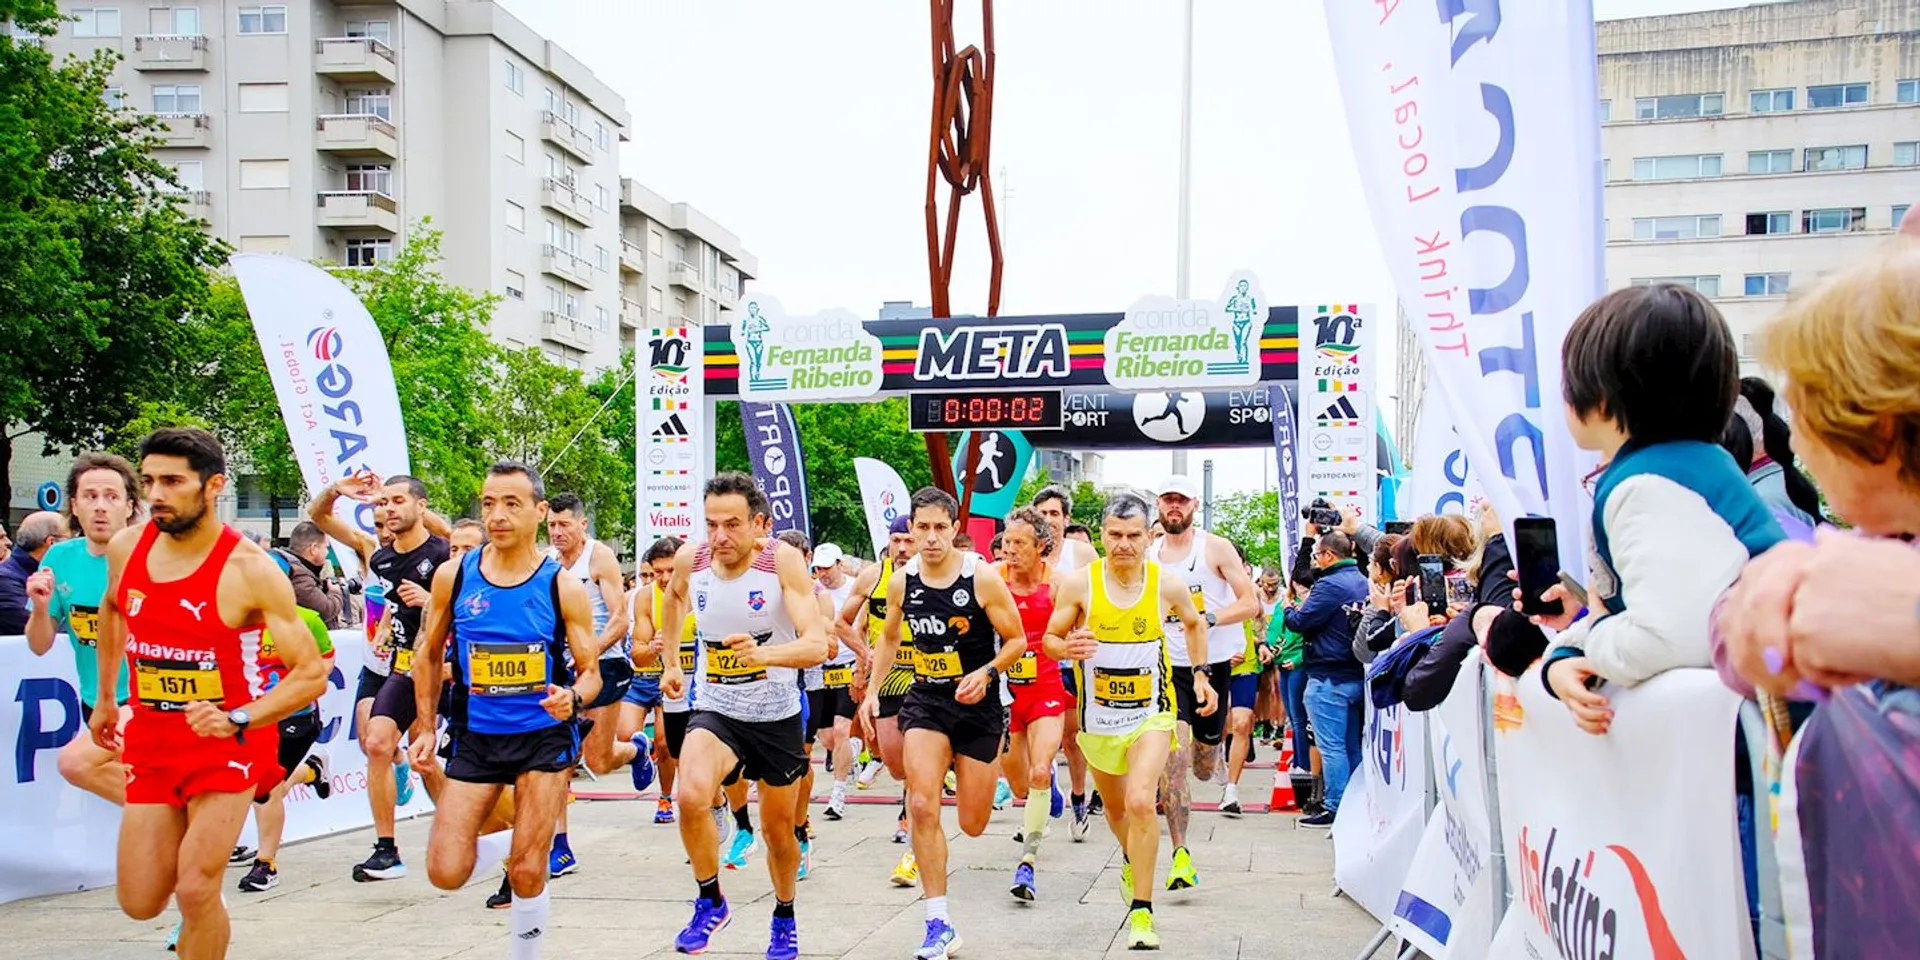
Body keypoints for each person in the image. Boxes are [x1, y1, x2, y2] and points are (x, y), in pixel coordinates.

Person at [90, 428, 328, 960]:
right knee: (140, 900)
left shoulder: (250, 569)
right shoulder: (127, 547)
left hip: (230, 744)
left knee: (195, 888)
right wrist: (107, 697)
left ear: (214, 485)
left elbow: (310, 673)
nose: (155, 494)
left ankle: (202, 919)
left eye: (172, 481)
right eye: (149, 480)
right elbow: (112, 608)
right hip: (152, 738)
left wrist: (240, 717)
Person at [1529, 283, 1784, 735]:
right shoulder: (1692, 467)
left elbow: (1668, 636)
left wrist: (1597, 640)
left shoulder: (1646, 485)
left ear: (1601, 399)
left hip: (1746, 757)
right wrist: (1566, 657)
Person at [407, 461, 604, 960]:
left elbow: (591, 672)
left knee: (527, 873)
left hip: (543, 737)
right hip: (477, 735)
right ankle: (523, 841)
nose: (497, 514)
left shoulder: (562, 585)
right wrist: (427, 726)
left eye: (511, 504)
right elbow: (427, 654)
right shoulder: (455, 576)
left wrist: (574, 698)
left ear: (539, 512)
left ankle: (526, 944)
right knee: (445, 871)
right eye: (489, 503)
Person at [653, 473, 831, 960]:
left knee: (778, 835)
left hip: (775, 714)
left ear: (760, 524)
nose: (719, 537)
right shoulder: (695, 558)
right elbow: (672, 600)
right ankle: (710, 900)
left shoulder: (782, 562)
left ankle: (784, 914)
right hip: (717, 707)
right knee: (690, 795)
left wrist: (766, 656)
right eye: (711, 524)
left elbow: (816, 644)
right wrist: (672, 661)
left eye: (732, 525)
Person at [861, 487, 1028, 960]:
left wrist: (987, 672)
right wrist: (873, 691)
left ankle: (965, 765)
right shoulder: (902, 581)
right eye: (922, 528)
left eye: (940, 527)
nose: (930, 538)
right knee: (921, 803)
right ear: (910, 530)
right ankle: (938, 921)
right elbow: (890, 639)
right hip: (927, 701)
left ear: (955, 529)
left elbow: (1016, 640)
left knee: (973, 824)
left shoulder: (983, 578)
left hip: (978, 705)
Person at [1044, 492, 1214, 950]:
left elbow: (1195, 625)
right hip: (1098, 720)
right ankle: (1130, 856)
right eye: (1115, 535)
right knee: (1117, 811)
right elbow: (1050, 640)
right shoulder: (1081, 584)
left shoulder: (1166, 584)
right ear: (1101, 535)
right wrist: (1068, 648)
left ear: (1149, 536)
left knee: (1141, 801)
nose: (1124, 544)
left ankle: (1142, 912)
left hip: (1151, 716)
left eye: (1133, 536)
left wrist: (1201, 676)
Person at [309, 472, 452, 882]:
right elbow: (317, 516)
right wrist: (338, 490)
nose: (387, 509)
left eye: (397, 501)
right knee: (376, 742)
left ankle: (465, 830)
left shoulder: (445, 554)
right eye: (382, 502)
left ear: (421, 506)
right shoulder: (380, 556)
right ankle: (386, 849)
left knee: (442, 763)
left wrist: (430, 601)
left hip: (452, 667)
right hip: (406, 666)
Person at [1143, 474, 1259, 885]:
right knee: (1171, 764)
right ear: (1159, 506)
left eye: (1181, 501)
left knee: (1204, 765)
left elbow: (1251, 603)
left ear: (1194, 505)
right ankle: (1179, 853)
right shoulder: (1147, 552)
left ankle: (1211, 751)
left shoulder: (1215, 548)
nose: (1174, 507)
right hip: (1165, 668)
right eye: (1167, 500)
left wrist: (1205, 618)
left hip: (1212, 666)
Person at [25, 453, 140, 805]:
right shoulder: (59, 559)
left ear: (129, 506)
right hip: (94, 701)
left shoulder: (149, 557)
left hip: (146, 700)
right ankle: (182, 826)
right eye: (90, 497)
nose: (100, 507)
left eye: (111, 496)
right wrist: (41, 609)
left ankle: (181, 827)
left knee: (74, 763)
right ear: (74, 506)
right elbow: (39, 645)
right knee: (134, 785)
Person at [544, 493, 636, 878]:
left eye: (565, 524)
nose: (558, 532)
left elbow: (620, 620)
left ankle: (635, 749)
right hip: (562, 670)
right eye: (551, 525)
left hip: (604, 664)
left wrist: (588, 652)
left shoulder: (599, 558)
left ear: (583, 525)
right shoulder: (546, 561)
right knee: (557, 760)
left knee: (598, 760)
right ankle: (560, 847)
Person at [835, 515, 919, 882]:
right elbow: (842, 623)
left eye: (908, 540)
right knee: (896, 762)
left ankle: (912, 835)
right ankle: (907, 790)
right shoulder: (873, 577)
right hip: (887, 679)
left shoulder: (933, 574)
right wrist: (865, 656)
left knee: (918, 762)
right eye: (897, 540)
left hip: (925, 677)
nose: (902, 548)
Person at [236, 604, 337, 893]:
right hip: (248, 719)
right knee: (260, 786)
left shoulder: (306, 619)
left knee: (267, 789)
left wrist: (291, 691)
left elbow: (326, 664)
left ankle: (266, 864)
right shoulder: (230, 618)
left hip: (295, 719)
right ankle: (311, 770)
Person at [995, 507, 1069, 899]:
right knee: (1022, 785)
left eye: (1019, 543)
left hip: (1045, 689)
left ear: (1041, 546)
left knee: (1039, 771)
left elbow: (1079, 626)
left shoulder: (1057, 585)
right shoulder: (991, 580)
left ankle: (1027, 863)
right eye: (1007, 542)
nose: (1010, 550)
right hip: (1005, 696)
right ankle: (1048, 789)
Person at [1285, 532, 1369, 826]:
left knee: (1331, 747)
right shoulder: (1361, 578)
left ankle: (1336, 806)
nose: (1316, 561)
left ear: (1329, 555)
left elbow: (1299, 622)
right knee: (1352, 746)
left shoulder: (1330, 584)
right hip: (1354, 672)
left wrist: (1288, 608)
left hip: (1328, 676)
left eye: (1317, 555)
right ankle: (1356, 804)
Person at [1031, 486, 1099, 832]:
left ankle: (1078, 799)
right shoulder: (1024, 553)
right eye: (1041, 514)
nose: (1048, 520)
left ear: (1066, 519)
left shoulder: (1082, 554)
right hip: (1033, 658)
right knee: (1035, 739)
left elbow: (1099, 598)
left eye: (1054, 514)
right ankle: (1044, 788)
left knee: (1072, 738)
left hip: (1070, 659)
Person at [624, 536, 686, 826]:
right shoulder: (645, 597)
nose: (664, 578)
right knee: (624, 735)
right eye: (658, 571)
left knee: (664, 742)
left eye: (671, 570)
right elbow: (638, 654)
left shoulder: (701, 589)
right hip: (644, 677)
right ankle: (639, 754)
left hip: (678, 678)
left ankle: (665, 797)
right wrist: (652, 648)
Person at [809, 542, 865, 822]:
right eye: (818, 568)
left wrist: (862, 665)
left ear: (840, 564)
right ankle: (852, 752)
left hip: (848, 666)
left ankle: (838, 795)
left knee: (842, 730)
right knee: (828, 738)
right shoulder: (812, 592)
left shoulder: (855, 588)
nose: (823, 573)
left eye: (827, 568)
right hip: (820, 670)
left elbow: (862, 628)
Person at [0, 511, 65, 634]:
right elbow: (39, 631)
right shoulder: (4, 580)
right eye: (72, 537)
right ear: (52, 543)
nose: (76, 545)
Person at [272, 522, 345, 629]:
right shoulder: (298, 575)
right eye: (326, 547)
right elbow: (326, 610)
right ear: (314, 548)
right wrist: (335, 591)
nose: (327, 553)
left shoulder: (286, 564)